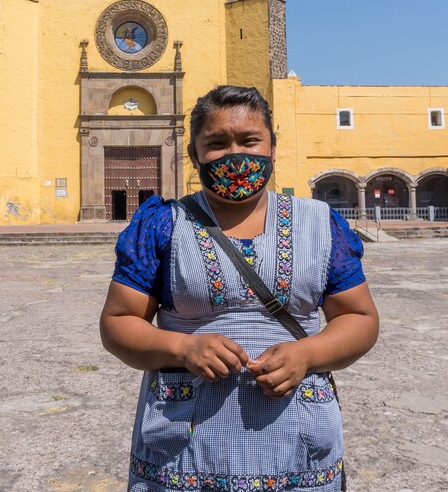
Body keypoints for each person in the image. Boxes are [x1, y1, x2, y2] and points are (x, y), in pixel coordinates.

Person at [100, 85, 379, 491]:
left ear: (272, 146)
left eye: (250, 140)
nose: (235, 154)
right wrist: (182, 348)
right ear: (194, 154)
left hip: (297, 442)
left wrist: (307, 353)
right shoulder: (162, 225)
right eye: (217, 143)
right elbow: (118, 322)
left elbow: (360, 317)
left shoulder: (320, 224)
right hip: (184, 453)